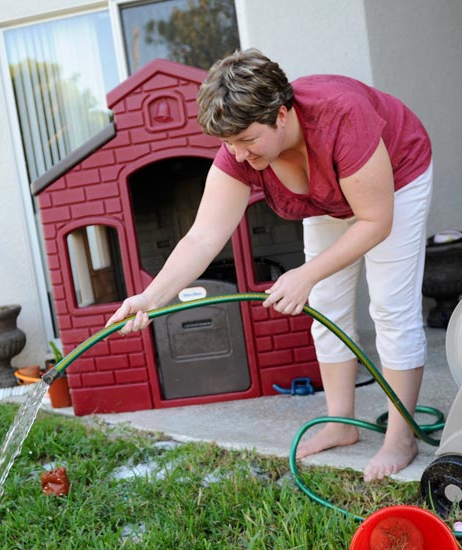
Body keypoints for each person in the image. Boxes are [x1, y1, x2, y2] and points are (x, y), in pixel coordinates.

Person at [106, 48, 433, 483]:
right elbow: (203, 237)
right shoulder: (240, 153)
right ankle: (340, 424)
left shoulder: (341, 115)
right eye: (228, 143)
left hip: (396, 179)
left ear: (282, 115)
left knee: (390, 308)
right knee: (327, 308)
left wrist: (306, 273)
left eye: (246, 140)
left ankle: (400, 437)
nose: (238, 155)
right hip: (327, 196)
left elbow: (376, 221)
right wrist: (150, 297)